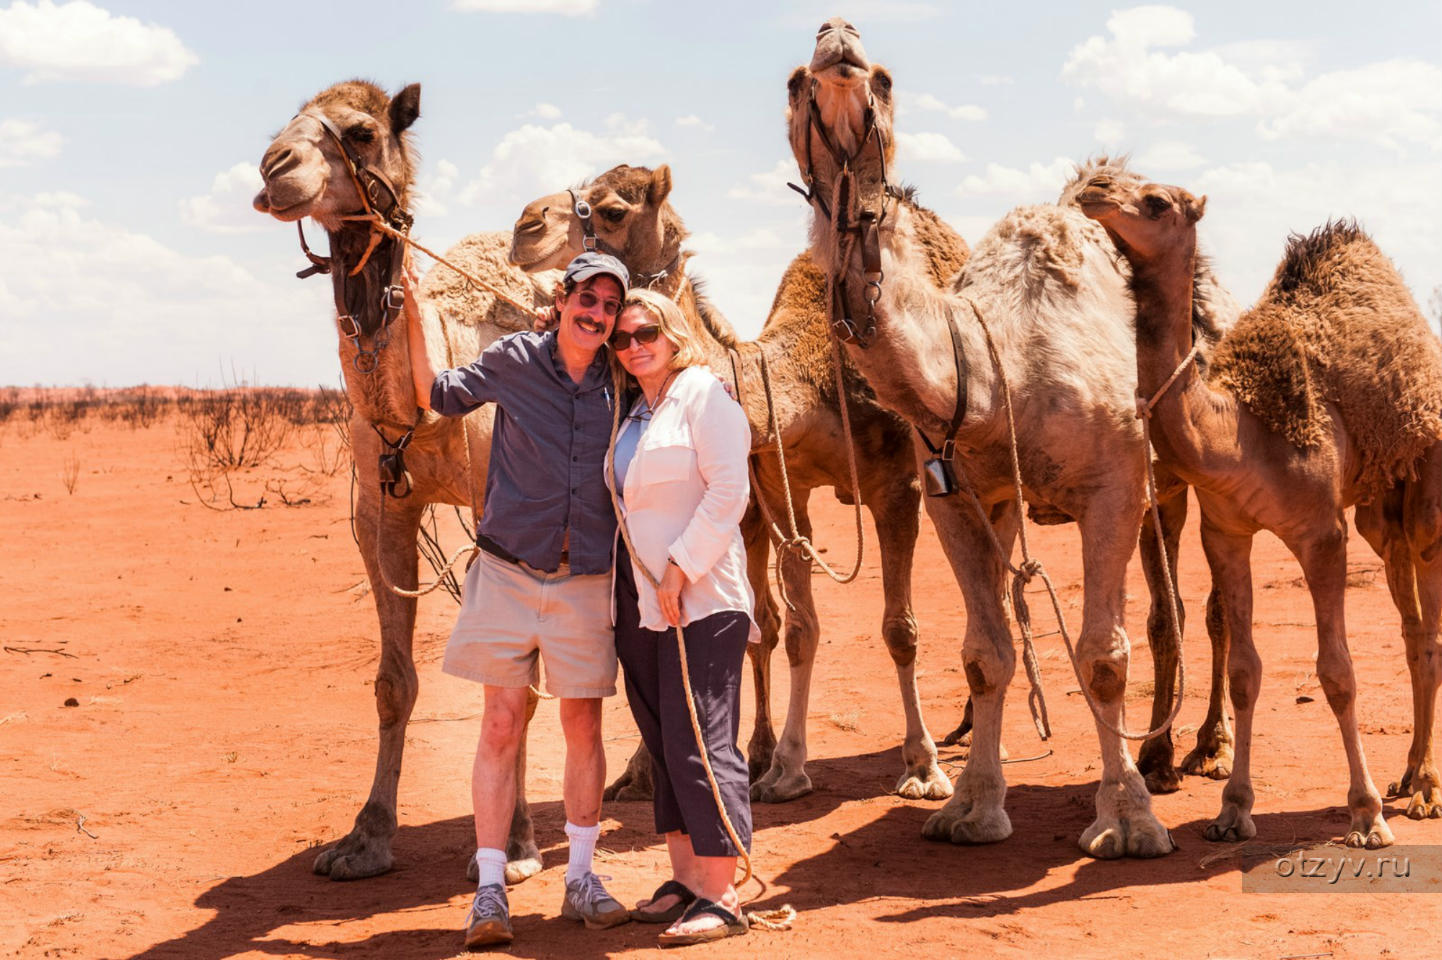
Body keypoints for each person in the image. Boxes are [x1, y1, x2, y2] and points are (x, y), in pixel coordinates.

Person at [402, 251, 634, 950]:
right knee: (500, 725)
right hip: (507, 572)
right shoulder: (514, 360)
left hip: (586, 578)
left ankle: (583, 879)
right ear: (562, 299)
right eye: (585, 299)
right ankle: (490, 891)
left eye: (608, 306)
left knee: (583, 729)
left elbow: (674, 366)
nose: (595, 313)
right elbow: (436, 395)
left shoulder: (622, 377)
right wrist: (414, 310)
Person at [605, 288, 756, 946]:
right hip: (643, 602)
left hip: (701, 595)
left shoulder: (703, 396)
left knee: (702, 738)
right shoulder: (636, 413)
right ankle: (687, 879)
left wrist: (681, 566)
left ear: (671, 333)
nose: (634, 345)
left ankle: (722, 895)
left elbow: (731, 490)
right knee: (664, 739)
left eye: (645, 333)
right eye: (622, 338)